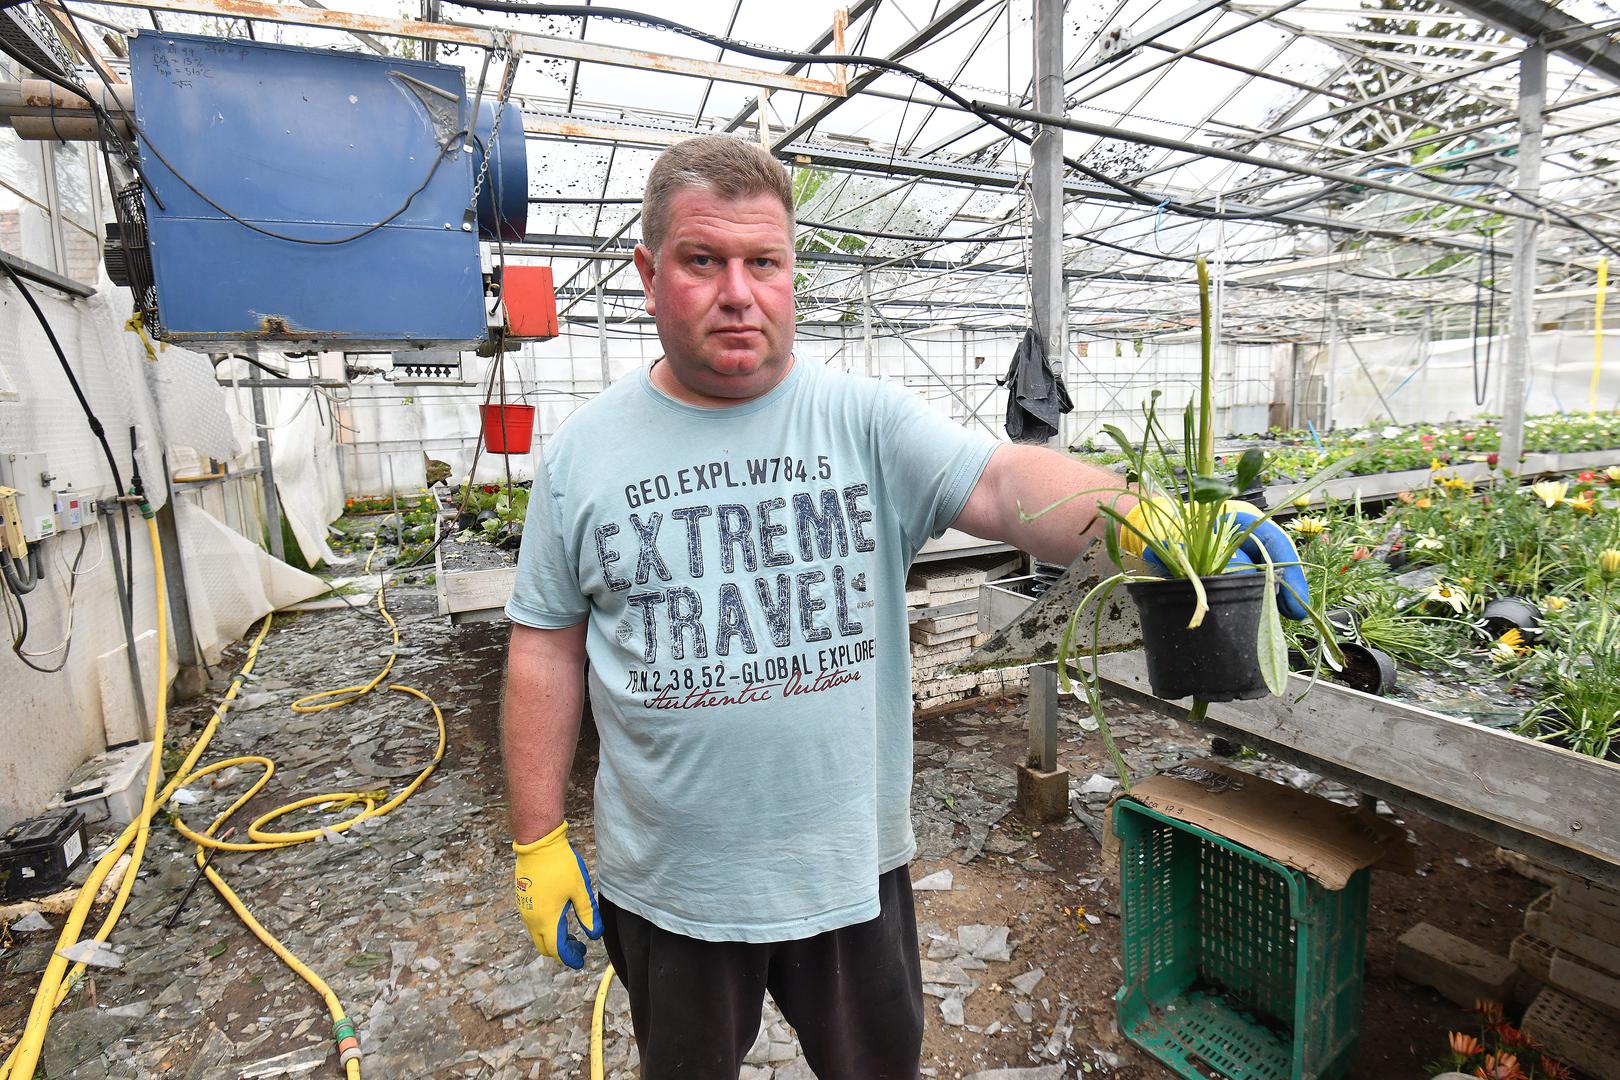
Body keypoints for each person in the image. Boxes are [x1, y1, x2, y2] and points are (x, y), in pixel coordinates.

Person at [500, 136, 1289, 1078]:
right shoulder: (586, 454)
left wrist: (1156, 525)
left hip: (849, 868)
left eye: (765, 262)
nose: (739, 291)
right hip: (676, 886)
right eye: (703, 260)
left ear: (794, 272)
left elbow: (1004, 484)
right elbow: (544, 646)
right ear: (648, 271)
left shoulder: (862, 420)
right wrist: (536, 838)